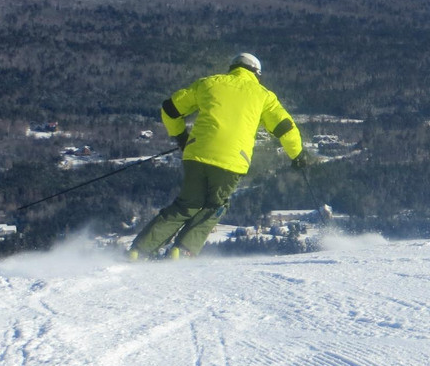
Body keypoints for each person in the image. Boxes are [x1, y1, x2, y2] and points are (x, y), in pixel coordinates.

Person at [128, 52, 306, 259]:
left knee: (186, 204)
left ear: (233, 67)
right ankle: (183, 251)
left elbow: (170, 108)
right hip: (231, 161)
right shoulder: (263, 95)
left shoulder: (210, 83)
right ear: (256, 73)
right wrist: (298, 155)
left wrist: (180, 136)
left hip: (196, 155)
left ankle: (138, 251)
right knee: (216, 205)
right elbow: (285, 128)